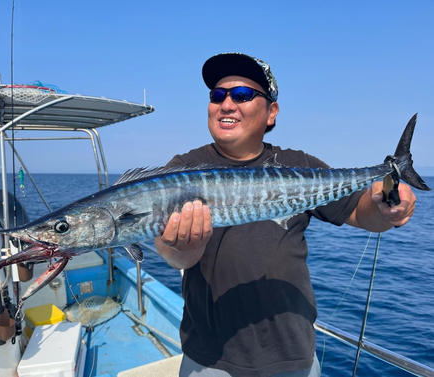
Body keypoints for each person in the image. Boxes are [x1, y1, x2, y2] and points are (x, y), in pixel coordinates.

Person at [154, 52, 417, 377]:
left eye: (242, 95)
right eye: (217, 95)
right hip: (210, 360)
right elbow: (170, 254)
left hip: (294, 357)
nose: (226, 104)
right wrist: (183, 248)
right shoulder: (181, 170)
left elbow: (362, 214)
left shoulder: (300, 165)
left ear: (271, 112)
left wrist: (386, 203)